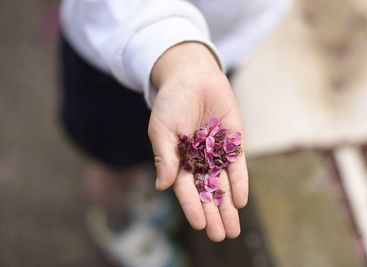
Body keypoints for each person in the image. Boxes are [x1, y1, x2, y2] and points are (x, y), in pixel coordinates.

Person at [59, 0, 291, 266]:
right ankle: (116, 221)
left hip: (216, 55)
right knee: (114, 161)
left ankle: (140, 187)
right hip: (120, 48)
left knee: (157, 151)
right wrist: (179, 59)